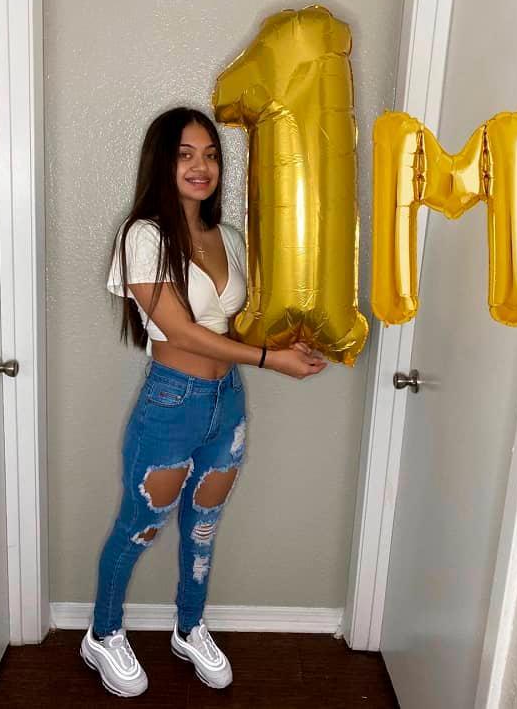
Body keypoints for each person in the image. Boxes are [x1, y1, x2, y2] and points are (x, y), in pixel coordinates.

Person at [80, 107, 327, 697]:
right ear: (162, 162)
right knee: (139, 528)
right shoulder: (142, 236)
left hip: (227, 403)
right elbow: (182, 332)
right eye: (186, 154)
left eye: (211, 154)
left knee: (203, 529)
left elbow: (231, 326)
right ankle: (103, 633)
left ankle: (189, 628)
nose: (202, 166)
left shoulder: (229, 238)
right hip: (172, 402)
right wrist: (270, 360)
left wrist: (282, 343)